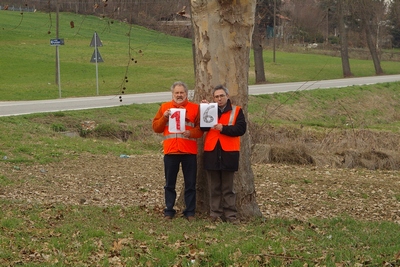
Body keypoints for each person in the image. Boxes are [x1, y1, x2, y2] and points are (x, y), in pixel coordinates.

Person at [152, 81, 203, 222]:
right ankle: (169, 210)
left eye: (182, 93)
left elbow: (201, 130)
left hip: (189, 152)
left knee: (190, 184)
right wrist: (164, 117)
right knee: (169, 184)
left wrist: (191, 133)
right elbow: (156, 128)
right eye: (177, 93)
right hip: (171, 152)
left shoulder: (195, 108)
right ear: (172, 94)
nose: (179, 95)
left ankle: (190, 212)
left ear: (186, 94)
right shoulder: (165, 107)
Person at [201, 85, 247, 224]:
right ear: (213, 98)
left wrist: (223, 128)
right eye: (216, 96)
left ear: (227, 96)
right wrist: (203, 110)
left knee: (228, 188)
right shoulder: (210, 110)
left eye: (221, 96)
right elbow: (202, 127)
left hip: (229, 153)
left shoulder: (236, 110)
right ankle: (215, 214)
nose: (219, 99)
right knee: (214, 187)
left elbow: (241, 129)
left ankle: (230, 215)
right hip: (212, 152)